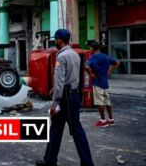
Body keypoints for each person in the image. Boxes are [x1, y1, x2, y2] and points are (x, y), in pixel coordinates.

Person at [36, 29, 94, 166]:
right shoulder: (74, 55)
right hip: (73, 96)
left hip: (64, 99)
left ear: (59, 40)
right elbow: (74, 78)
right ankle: (52, 160)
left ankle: (51, 160)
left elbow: (59, 81)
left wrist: (54, 103)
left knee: (60, 130)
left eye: (55, 40)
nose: (54, 42)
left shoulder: (61, 57)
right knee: (69, 130)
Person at [86, 41, 120, 127]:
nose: (90, 49)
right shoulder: (106, 56)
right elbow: (117, 62)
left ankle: (103, 121)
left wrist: (91, 74)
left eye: (90, 48)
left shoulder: (93, 57)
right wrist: (110, 71)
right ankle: (111, 120)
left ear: (92, 49)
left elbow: (86, 66)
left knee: (100, 102)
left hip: (97, 83)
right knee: (107, 101)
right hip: (105, 83)